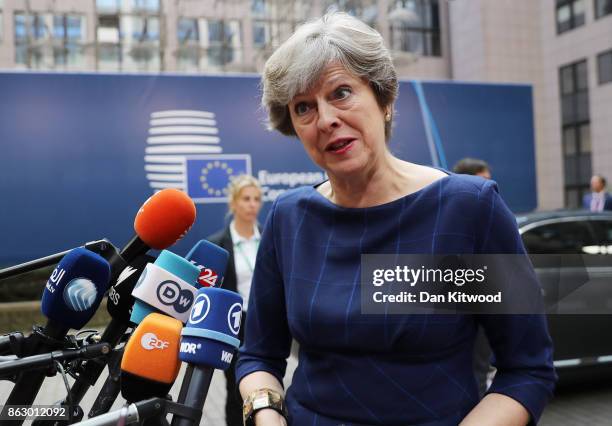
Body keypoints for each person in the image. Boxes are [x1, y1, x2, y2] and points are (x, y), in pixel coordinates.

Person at [236, 12, 556, 426]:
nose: (326, 119)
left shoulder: (467, 209)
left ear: (384, 100)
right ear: (294, 127)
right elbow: (259, 355)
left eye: (342, 92)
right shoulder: (288, 218)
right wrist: (265, 410)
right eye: (303, 108)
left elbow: (527, 370)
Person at [207, 174, 263, 426]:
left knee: (267, 386)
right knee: (237, 389)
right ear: (233, 204)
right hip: (235, 327)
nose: (252, 204)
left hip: (266, 325)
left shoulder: (270, 239)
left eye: (257, 199)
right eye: (246, 199)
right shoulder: (217, 245)